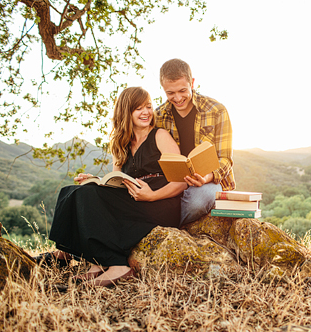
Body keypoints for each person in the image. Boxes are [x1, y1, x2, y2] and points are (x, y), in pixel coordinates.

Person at [46, 87, 188, 287]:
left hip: (161, 202)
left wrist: (152, 196)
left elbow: (182, 180)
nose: (146, 112)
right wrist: (95, 180)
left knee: (88, 195)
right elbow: (116, 180)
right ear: (125, 111)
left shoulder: (160, 136)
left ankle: (117, 264)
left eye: (148, 106)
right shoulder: (120, 144)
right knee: (73, 191)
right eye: (138, 108)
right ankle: (86, 258)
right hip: (132, 199)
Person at [154, 59, 235, 226]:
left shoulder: (216, 110)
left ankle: (172, 228)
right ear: (163, 88)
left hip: (209, 182)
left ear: (192, 82)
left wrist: (207, 177)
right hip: (174, 183)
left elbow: (226, 159)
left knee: (200, 200)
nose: (177, 98)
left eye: (182, 90)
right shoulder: (159, 116)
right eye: (170, 93)